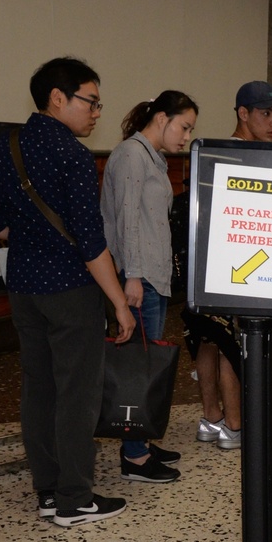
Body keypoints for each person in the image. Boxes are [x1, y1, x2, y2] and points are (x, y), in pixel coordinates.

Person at [0, 57, 133, 525]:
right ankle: (75, 498)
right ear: (57, 98)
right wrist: (119, 303)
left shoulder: (4, 147)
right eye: (91, 101)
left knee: (38, 389)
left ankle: (46, 490)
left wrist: (31, 237)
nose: (97, 112)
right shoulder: (73, 155)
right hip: (70, 290)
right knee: (76, 393)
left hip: (23, 287)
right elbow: (90, 242)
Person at [182, 82, 272, 449]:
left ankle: (212, 418)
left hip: (208, 265)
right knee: (232, 343)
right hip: (236, 265)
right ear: (243, 113)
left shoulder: (215, 152)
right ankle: (236, 425)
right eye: (265, 113)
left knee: (208, 340)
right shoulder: (244, 156)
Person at [101, 90, 197, 483]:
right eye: (184, 127)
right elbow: (126, 219)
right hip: (139, 278)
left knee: (146, 363)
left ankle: (138, 441)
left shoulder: (151, 156)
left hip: (152, 277)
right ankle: (135, 457)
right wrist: (133, 275)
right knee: (138, 368)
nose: (186, 137)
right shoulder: (131, 154)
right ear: (161, 118)